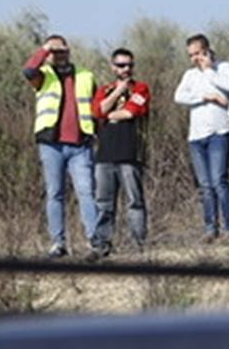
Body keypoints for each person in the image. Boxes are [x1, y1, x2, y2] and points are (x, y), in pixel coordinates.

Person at [22, 35, 99, 258]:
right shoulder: (43, 74)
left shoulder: (85, 75)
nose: (59, 54)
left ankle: (95, 241)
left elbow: (94, 107)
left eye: (62, 49)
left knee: (86, 192)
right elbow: (28, 71)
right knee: (55, 193)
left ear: (69, 50)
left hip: (80, 145)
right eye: (54, 51)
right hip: (51, 145)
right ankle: (58, 243)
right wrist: (45, 49)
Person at [174, 34, 229, 242]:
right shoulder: (190, 75)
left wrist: (209, 69)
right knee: (205, 184)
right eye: (191, 55)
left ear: (208, 50)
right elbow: (179, 96)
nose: (195, 58)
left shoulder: (224, 68)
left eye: (199, 53)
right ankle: (210, 228)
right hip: (197, 136)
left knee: (219, 180)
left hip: (219, 133)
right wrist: (204, 97)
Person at [92, 48, 150, 256]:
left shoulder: (141, 88)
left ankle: (138, 244)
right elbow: (97, 110)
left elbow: (132, 111)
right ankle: (102, 244)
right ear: (113, 67)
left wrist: (108, 114)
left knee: (134, 201)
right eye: (121, 65)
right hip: (105, 154)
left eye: (129, 65)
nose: (126, 69)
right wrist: (116, 93)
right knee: (104, 203)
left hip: (130, 153)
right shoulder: (104, 89)